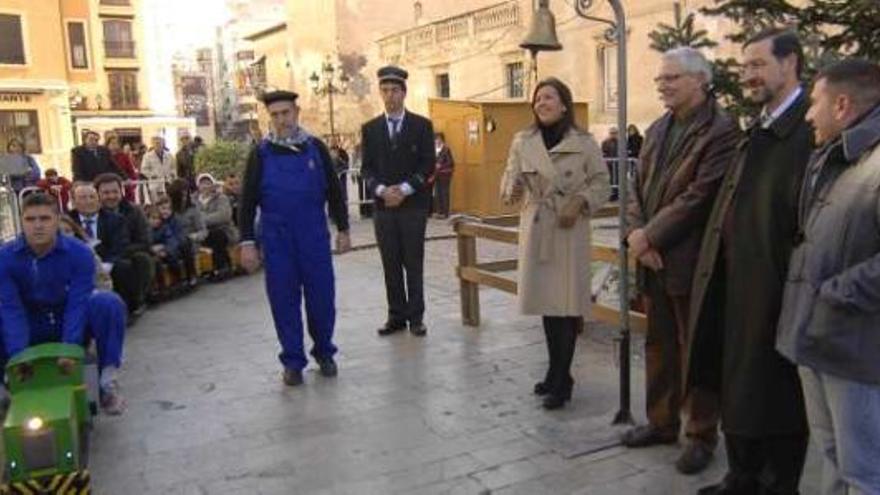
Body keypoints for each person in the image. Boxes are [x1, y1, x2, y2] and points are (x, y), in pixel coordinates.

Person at [693, 30, 812, 495]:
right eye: (744, 67)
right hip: (737, 281)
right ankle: (741, 476)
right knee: (738, 382)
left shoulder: (807, 130)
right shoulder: (759, 125)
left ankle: (776, 483)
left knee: (776, 395)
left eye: (758, 65)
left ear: (791, 64)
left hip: (779, 288)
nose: (748, 76)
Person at [622, 47, 740, 475]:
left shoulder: (721, 131)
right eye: (659, 79)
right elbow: (634, 187)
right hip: (652, 259)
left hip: (694, 262)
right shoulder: (657, 128)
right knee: (658, 346)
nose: (662, 85)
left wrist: (648, 236)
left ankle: (701, 435)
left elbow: (699, 198)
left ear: (700, 80)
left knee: (698, 350)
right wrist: (637, 236)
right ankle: (661, 422)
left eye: (671, 78)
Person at [777, 58, 880, 495]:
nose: (807, 113)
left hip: (853, 346)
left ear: (841, 105)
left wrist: (836, 291)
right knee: (833, 456)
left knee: (863, 469)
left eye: (814, 102)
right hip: (815, 335)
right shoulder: (832, 156)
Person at [500, 77, 610, 410]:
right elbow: (508, 180)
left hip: (568, 229)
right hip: (537, 227)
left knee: (566, 306)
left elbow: (603, 182)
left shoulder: (585, 142)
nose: (542, 103)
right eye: (537, 99)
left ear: (564, 104)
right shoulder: (523, 141)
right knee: (548, 307)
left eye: (549, 98)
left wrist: (580, 201)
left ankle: (561, 381)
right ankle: (556, 372)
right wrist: (512, 190)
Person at [238, 89, 351, 386]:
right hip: (277, 241)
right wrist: (247, 242)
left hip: (313, 237)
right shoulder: (260, 154)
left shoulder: (316, 148)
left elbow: (335, 193)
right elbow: (247, 202)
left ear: (296, 112)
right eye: (274, 115)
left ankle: (325, 352)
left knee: (322, 299)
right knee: (283, 301)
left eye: (285, 113)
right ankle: (292, 361)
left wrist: (344, 229)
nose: (281, 120)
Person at [0, 192, 126, 415]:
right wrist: (18, 354)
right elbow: (11, 308)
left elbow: (77, 303)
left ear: (57, 220)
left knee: (107, 303)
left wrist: (70, 347)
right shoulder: (6, 258)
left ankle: (108, 381)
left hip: (67, 322)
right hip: (31, 324)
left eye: (45, 219)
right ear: (22, 221)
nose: (37, 226)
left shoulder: (79, 253)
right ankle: (6, 387)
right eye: (30, 219)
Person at [361, 66, 436, 337]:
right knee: (390, 262)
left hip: (413, 206)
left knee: (413, 262)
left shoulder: (421, 126)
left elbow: (428, 165)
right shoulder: (370, 129)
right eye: (385, 90)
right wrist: (382, 191)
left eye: (395, 90)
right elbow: (366, 169)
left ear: (404, 93)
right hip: (384, 209)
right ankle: (396, 316)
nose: (390, 96)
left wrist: (403, 190)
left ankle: (416, 317)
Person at [68, 184, 141, 317]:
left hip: (108, 261)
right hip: (80, 263)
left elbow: (120, 245)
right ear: (73, 202)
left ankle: (125, 309)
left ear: (98, 200)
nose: (89, 201)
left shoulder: (115, 219)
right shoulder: (68, 220)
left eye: (92, 197)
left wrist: (108, 263)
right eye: (83, 198)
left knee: (123, 267)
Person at [94, 173, 156, 317]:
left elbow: (145, 240)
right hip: (103, 255)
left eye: (114, 191)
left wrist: (119, 252)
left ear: (121, 191)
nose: (111, 196)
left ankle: (137, 300)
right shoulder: (94, 213)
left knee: (140, 260)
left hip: (130, 252)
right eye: (106, 193)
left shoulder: (134, 211)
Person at [145, 201, 197, 289]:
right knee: (164, 258)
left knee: (183, 246)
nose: (165, 211)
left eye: (167, 209)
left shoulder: (176, 220)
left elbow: (176, 238)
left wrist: (165, 249)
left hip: (177, 246)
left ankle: (190, 275)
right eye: (162, 209)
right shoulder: (154, 226)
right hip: (163, 250)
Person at [196, 173, 238, 278]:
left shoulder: (221, 198)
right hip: (203, 232)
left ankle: (223, 266)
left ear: (213, 185)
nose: (205, 186)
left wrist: (202, 219)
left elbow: (223, 216)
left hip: (223, 230)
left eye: (208, 183)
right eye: (202, 184)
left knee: (217, 235)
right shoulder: (194, 202)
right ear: (198, 186)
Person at [59, 215, 113, 291]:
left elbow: (104, 282)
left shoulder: (87, 253)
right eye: (58, 232)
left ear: (74, 233)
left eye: (67, 231)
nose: (64, 235)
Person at [167, 178, 207, 245]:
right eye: (181, 196)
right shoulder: (168, 209)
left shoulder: (193, 208)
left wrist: (194, 237)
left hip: (189, 244)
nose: (184, 199)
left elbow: (203, 231)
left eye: (185, 195)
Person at [140, 135, 177, 201]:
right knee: (157, 202)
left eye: (160, 143)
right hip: (155, 183)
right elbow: (143, 169)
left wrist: (172, 174)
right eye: (156, 143)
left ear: (163, 144)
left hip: (168, 182)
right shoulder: (147, 156)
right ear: (153, 144)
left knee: (169, 201)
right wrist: (152, 175)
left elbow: (173, 167)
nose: (158, 145)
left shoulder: (169, 155)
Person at [106, 133, 138, 203]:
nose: (114, 145)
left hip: (125, 187)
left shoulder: (124, 156)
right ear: (108, 144)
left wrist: (131, 184)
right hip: (109, 186)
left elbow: (131, 172)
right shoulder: (104, 157)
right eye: (112, 143)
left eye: (116, 143)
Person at [432, 132, 454, 219]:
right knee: (437, 192)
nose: (437, 141)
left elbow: (450, 162)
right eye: (436, 139)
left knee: (444, 192)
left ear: (442, 140)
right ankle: (439, 212)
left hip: (445, 175)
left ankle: (445, 213)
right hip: (436, 174)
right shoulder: (434, 149)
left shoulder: (446, 149)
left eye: (439, 139)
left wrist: (440, 165)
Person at [328, 136, 350, 207]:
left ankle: (344, 211)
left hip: (341, 179)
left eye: (334, 141)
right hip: (331, 179)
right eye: (331, 141)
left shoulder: (342, 152)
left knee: (343, 197)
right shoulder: (326, 152)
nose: (333, 143)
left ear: (337, 142)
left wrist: (339, 158)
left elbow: (346, 165)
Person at [601, 128, 620, 201]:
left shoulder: (620, 142)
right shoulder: (605, 142)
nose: (613, 135)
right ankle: (611, 194)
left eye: (615, 133)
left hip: (618, 164)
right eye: (612, 133)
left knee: (618, 179)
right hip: (609, 163)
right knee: (610, 179)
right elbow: (603, 152)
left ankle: (617, 194)